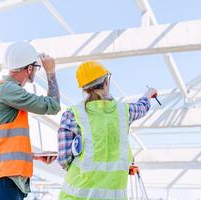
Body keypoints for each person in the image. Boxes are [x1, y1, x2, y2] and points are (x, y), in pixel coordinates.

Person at [57, 60, 157, 199]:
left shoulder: (72, 114)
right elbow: (142, 107)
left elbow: (64, 160)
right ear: (106, 82)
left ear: (84, 89)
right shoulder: (124, 112)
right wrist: (148, 94)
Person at [0, 41, 61, 200]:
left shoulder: (5, 91)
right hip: (1, 185)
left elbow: (0, 144)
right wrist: (51, 73)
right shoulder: (9, 89)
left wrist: (32, 156)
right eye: (35, 67)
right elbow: (53, 105)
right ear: (29, 69)